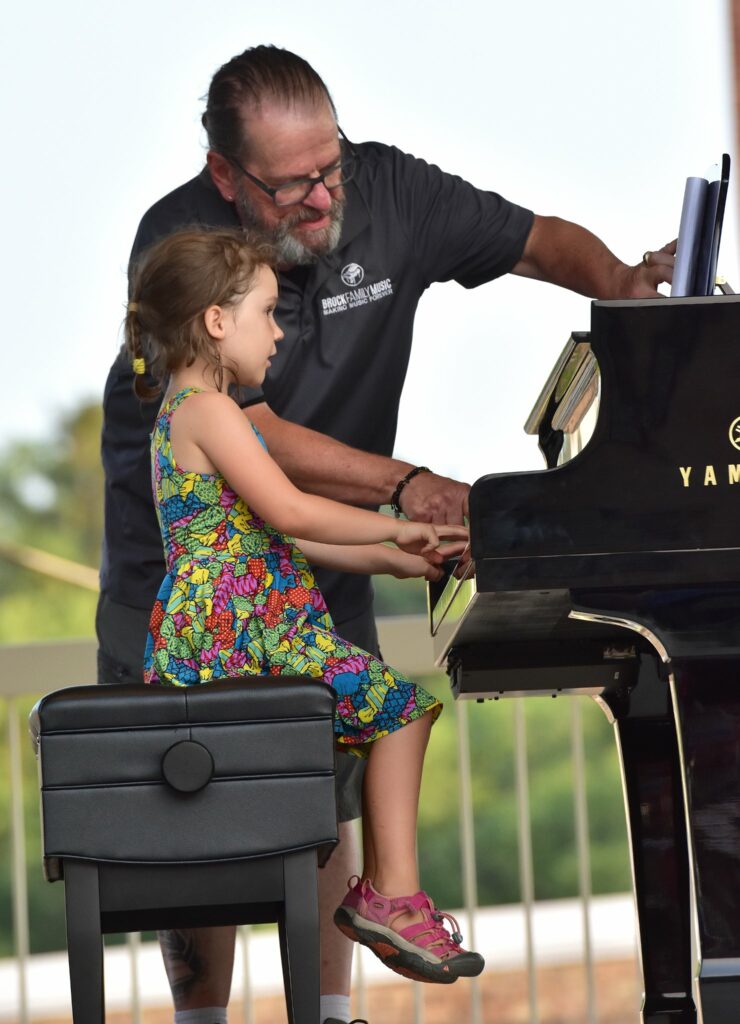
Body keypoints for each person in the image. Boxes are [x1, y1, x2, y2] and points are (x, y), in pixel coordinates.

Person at [97, 44, 675, 1024]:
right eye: (290, 186)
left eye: (330, 168)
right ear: (226, 177)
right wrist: (402, 498)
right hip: (188, 585)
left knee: (330, 795)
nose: (322, 197)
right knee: (205, 818)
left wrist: (620, 284)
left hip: (294, 573)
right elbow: (265, 456)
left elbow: (534, 240)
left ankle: (325, 1005)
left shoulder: (388, 190)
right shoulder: (184, 257)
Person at [126, 225, 480, 991]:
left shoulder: (190, 413)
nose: (279, 330)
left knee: (399, 711)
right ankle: (392, 897)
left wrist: (398, 554)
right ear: (217, 322)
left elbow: (288, 536)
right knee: (404, 709)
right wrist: (397, 522)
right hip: (239, 642)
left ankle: (389, 895)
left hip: (232, 634)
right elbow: (294, 512)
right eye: (265, 311)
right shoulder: (211, 410)